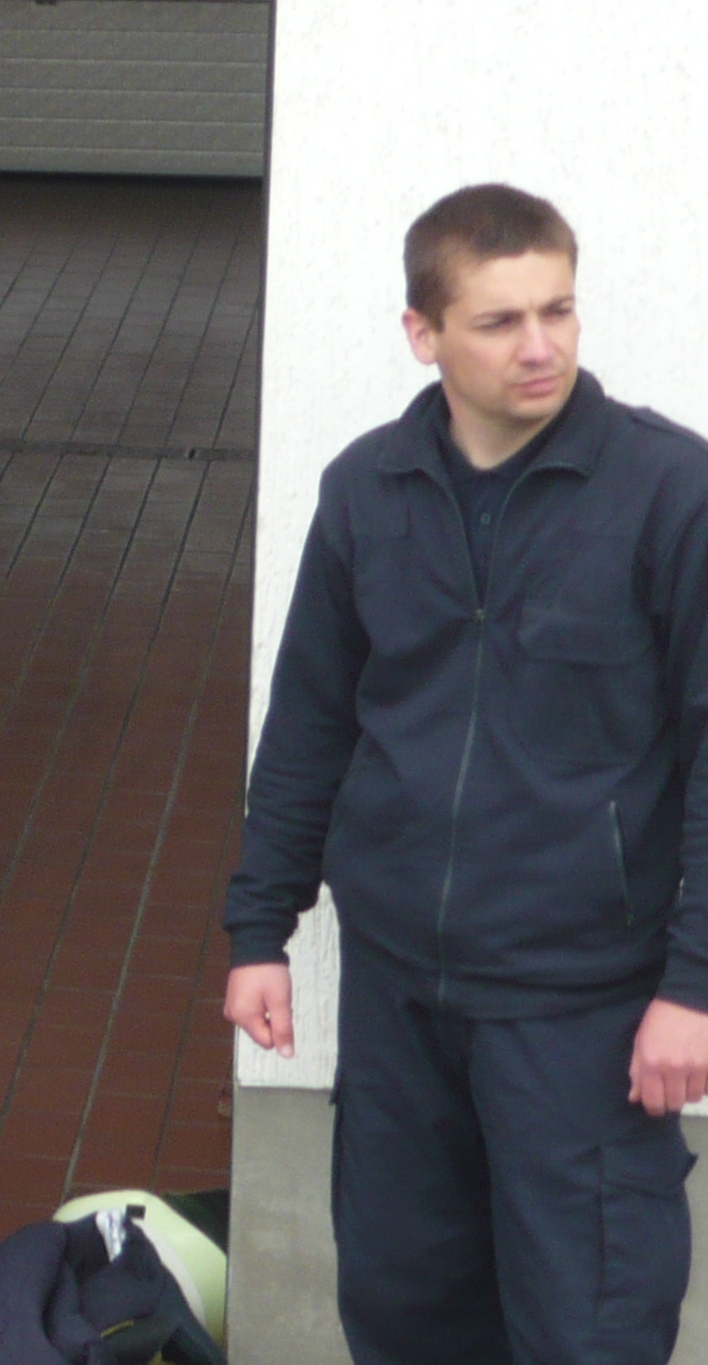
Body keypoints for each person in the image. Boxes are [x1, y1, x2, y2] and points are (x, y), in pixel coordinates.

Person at [224, 184, 708, 1365]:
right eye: (500, 321)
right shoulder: (366, 490)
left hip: (580, 1010)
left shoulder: (669, 493)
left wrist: (695, 984)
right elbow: (310, 723)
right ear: (423, 332)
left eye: (559, 310)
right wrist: (258, 928)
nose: (540, 345)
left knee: (587, 1330)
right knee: (405, 1314)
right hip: (399, 999)